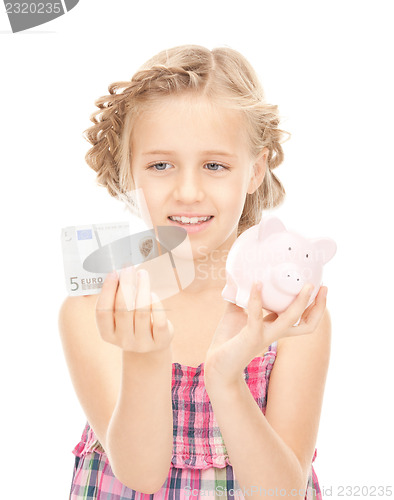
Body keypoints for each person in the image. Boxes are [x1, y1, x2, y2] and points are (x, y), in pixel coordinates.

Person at [58, 44, 331, 500]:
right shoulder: (95, 309)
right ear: (130, 171)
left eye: (214, 165)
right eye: (160, 165)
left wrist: (226, 379)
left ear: (255, 170)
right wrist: (144, 358)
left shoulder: (289, 315)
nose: (187, 191)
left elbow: (281, 492)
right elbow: (141, 475)